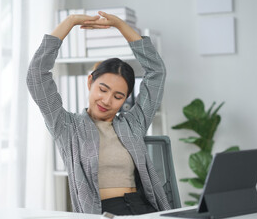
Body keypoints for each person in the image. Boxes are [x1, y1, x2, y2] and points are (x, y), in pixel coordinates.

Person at [26, 11, 170, 215]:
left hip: (143, 209)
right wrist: (70, 22)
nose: (107, 101)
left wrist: (120, 25)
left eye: (118, 96)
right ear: (90, 82)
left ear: (125, 99)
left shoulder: (133, 124)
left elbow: (157, 73)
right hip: (103, 212)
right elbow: (36, 76)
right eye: (103, 89)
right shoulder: (67, 127)